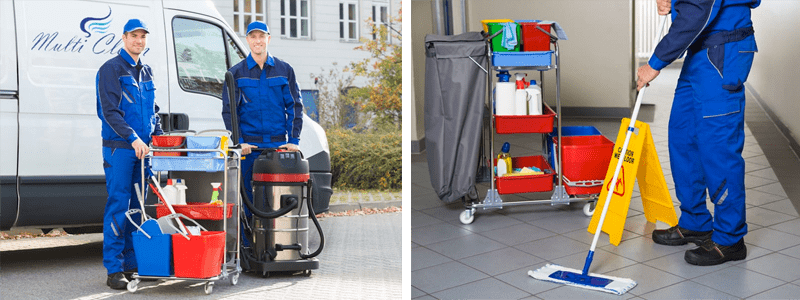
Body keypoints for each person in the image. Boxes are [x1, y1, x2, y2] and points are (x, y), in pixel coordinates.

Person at [637, 0, 759, 266]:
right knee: (683, 138)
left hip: (723, 51)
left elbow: (698, 11)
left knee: (718, 147)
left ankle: (730, 238)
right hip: (700, 51)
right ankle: (695, 222)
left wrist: (655, 63)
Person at [96, 19, 163, 289]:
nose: (139, 40)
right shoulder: (111, 69)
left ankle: (133, 264)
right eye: (134, 36)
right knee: (119, 206)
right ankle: (114, 269)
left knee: (138, 209)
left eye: (142, 36)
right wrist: (133, 138)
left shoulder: (146, 71)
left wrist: (158, 136)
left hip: (143, 152)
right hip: (121, 150)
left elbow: (153, 110)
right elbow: (108, 111)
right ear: (124, 38)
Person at [221, 21, 303, 203]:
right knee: (249, 201)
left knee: (278, 201)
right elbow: (229, 112)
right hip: (249, 149)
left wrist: (294, 141)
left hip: (278, 147)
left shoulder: (285, 70)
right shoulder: (235, 74)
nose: (258, 41)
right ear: (247, 40)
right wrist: (240, 142)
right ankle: (249, 233)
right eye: (253, 37)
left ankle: (276, 232)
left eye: (261, 36)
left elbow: (295, 106)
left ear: (269, 39)